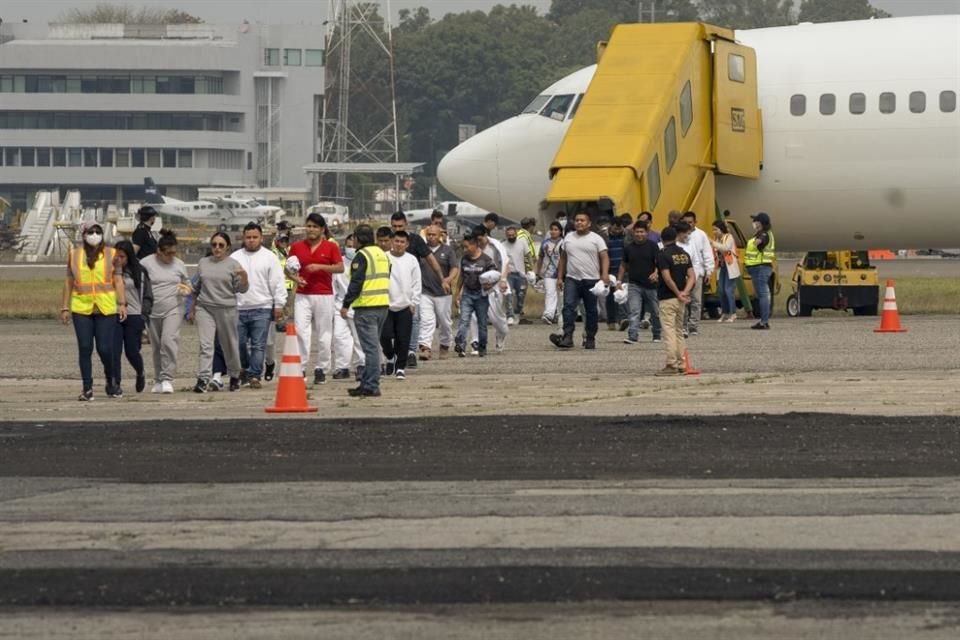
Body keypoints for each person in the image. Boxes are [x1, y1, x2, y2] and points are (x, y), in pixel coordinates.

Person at [60, 221, 127, 401]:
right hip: (82, 307)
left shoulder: (112, 254)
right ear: (83, 234)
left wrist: (122, 303)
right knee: (85, 347)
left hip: (105, 308)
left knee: (105, 348)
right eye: (91, 231)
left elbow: (118, 280)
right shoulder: (74, 255)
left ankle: (111, 380)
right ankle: (87, 387)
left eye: (98, 231)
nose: (95, 234)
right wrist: (65, 307)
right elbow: (68, 281)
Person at [287, 213, 344, 385]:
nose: (311, 229)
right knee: (301, 331)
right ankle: (301, 367)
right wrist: (296, 279)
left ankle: (321, 367)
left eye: (315, 227)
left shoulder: (330, 247)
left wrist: (319, 266)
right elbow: (288, 269)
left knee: (324, 333)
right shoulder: (297, 247)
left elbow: (340, 267)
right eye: (309, 226)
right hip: (303, 294)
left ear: (322, 229)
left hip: (324, 294)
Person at [231, 223, 287, 389]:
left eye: (255, 237)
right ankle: (245, 370)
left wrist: (279, 304)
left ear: (261, 238)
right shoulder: (234, 258)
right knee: (240, 344)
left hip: (262, 307)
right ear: (243, 238)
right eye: (248, 237)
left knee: (258, 344)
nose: (251, 241)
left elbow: (278, 283)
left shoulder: (270, 257)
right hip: (239, 308)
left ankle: (255, 375)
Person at [191, 232, 249, 392]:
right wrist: (190, 304)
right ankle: (203, 378)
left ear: (228, 248)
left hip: (226, 308)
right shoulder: (203, 263)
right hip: (205, 307)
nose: (217, 248)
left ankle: (235, 374)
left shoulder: (234, 265)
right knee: (206, 345)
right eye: (214, 244)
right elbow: (196, 285)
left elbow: (241, 289)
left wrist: (244, 278)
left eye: (221, 245)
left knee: (229, 344)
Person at [341, 224, 391, 397]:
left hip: (366, 306)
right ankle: (367, 382)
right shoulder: (382, 255)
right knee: (373, 347)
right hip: (382, 305)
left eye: (354, 238)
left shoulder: (361, 256)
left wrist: (346, 304)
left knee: (370, 349)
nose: (352, 242)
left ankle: (371, 385)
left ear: (359, 239)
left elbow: (356, 283)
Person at [389, 212, 444, 369]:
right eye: (394, 226)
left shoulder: (415, 240)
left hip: (410, 288)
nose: (397, 228)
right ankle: (395, 352)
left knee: (414, 319)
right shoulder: (387, 239)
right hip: (390, 289)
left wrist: (442, 278)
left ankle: (411, 352)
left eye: (400, 226)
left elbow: (430, 259)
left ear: (406, 225)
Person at [549, 211, 609, 350]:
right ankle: (567, 336)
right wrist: (560, 277)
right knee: (568, 307)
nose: (579, 223)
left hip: (591, 280)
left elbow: (604, 257)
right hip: (572, 279)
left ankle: (590, 337)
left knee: (591, 311)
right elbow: (563, 258)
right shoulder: (568, 238)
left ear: (589, 223)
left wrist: (604, 274)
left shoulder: (596, 239)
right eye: (577, 220)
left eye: (582, 220)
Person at [139, 229, 190, 394]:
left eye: (174, 253)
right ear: (159, 251)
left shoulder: (179, 265)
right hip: (153, 310)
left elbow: (188, 283)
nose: (171, 257)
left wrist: (186, 290)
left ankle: (168, 377)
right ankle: (158, 379)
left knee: (168, 341)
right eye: (168, 254)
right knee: (156, 346)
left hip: (173, 308)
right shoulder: (146, 263)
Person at [111, 240, 152, 394]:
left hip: (134, 315)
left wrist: (144, 315)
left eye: (122, 257)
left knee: (132, 351)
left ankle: (140, 371)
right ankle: (115, 383)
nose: (119, 260)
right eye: (116, 256)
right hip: (114, 314)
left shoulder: (140, 271)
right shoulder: (110, 271)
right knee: (114, 351)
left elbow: (148, 294)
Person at [381, 231, 422, 380]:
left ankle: (400, 367)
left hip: (405, 305)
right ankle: (390, 356)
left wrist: (414, 302)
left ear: (407, 244)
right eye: (396, 241)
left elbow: (417, 282)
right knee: (385, 336)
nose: (399, 244)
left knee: (403, 338)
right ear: (392, 241)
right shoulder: (384, 257)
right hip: (386, 304)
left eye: (402, 242)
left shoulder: (411, 260)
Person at [656, 225, 695, 376]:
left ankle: (671, 364)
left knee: (669, 331)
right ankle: (682, 363)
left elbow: (667, 277)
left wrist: (677, 293)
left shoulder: (662, 254)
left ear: (662, 238)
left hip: (668, 298)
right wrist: (685, 292)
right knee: (679, 331)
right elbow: (691, 276)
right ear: (676, 237)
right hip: (681, 300)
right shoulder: (684, 254)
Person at [417, 224, 459, 360]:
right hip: (425, 291)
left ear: (440, 235)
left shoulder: (447, 251)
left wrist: (448, 279)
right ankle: (425, 347)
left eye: (433, 234)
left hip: (443, 293)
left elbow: (454, 268)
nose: (431, 237)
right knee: (426, 320)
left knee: (445, 322)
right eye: (428, 234)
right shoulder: (421, 251)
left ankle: (445, 345)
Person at [618, 221, 661, 344]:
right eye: (637, 232)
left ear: (647, 233)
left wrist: (656, 273)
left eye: (642, 232)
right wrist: (619, 280)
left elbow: (659, 262)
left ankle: (657, 333)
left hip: (651, 285)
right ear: (633, 232)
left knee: (655, 311)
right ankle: (633, 335)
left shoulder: (653, 246)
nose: (639, 234)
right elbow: (623, 265)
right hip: (634, 284)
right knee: (634, 310)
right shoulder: (628, 248)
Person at [454, 234, 497, 358]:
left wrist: (491, 285)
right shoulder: (464, 259)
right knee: (464, 320)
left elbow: (495, 275)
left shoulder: (486, 260)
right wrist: (457, 293)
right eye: (464, 247)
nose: (465, 249)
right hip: (467, 294)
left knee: (482, 323)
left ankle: (482, 346)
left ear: (475, 245)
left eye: (467, 247)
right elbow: (461, 276)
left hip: (481, 295)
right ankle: (461, 343)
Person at [264, 231, 296, 381]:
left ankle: (282, 322)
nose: (284, 242)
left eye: (285, 240)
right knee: (280, 307)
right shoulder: (273, 253)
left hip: (289, 283)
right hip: (278, 284)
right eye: (281, 240)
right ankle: (279, 322)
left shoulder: (290, 252)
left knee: (288, 306)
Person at [677, 211, 715, 336]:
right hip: (681, 274)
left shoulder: (701, 235)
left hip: (697, 273)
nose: (688, 224)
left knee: (696, 301)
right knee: (683, 300)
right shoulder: (678, 236)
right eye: (685, 222)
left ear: (695, 222)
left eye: (690, 222)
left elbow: (707, 253)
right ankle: (682, 325)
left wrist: (708, 271)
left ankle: (693, 325)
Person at [332, 234, 364, 380]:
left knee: (359, 338)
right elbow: (334, 286)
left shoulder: (364, 261)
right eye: (348, 246)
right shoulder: (339, 264)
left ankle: (361, 365)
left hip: (358, 305)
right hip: (340, 305)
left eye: (353, 246)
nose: (351, 249)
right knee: (339, 337)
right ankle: (342, 367)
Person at [745, 212, 775, 330]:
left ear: (760, 223)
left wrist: (757, 242)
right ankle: (764, 321)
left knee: (763, 295)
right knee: (762, 294)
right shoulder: (764, 233)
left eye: (756, 221)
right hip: (760, 267)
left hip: (761, 267)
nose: (754, 223)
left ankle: (764, 321)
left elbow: (761, 241)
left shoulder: (763, 234)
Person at [711, 219, 741, 322]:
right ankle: (724, 312)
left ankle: (733, 313)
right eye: (713, 230)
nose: (715, 232)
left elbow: (725, 248)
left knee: (729, 290)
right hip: (722, 266)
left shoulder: (729, 237)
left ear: (721, 229)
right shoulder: (717, 239)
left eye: (716, 230)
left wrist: (713, 243)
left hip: (730, 266)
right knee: (721, 291)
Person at [504, 226, 534, 324]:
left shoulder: (522, 243)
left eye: (513, 235)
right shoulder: (503, 245)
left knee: (520, 295)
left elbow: (529, 256)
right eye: (509, 235)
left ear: (516, 234)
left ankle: (517, 313)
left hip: (521, 274)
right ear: (506, 235)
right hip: (509, 274)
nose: (511, 237)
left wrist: (532, 270)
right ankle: (509, 315)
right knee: (508, 294)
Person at [537, 221, 564, 324]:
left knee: (560, 295)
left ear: (560, 231)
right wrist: (538, 272)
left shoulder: (564, 243)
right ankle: (548, 314)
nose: (553, 231)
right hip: (548, 272)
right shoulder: (545, 243)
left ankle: (558, 314)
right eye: (552, 229)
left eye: (556, 229)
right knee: (550, 292)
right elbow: (540, 257)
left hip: (562, 273)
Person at [604, 215, 628, 330]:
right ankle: (611, 320)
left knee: (621, 293)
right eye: (616, 228)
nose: (618, 231)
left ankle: (622, 319)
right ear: (611, 226)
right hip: (609, 270)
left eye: (620, 228)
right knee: (610, 297)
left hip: (623, 269)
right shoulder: (605, 237)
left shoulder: (627, 236)